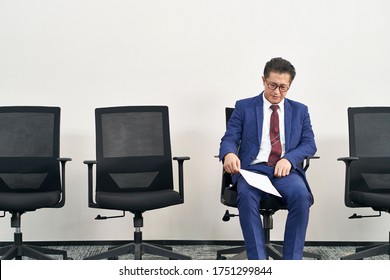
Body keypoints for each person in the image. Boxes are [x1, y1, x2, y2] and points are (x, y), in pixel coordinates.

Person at [219, 57, 316, 260]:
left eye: (283, 87)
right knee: (246, 195)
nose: (277, 92)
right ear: (263, 80)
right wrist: (228, 153)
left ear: (290, 86)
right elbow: (230, 138)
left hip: (286, 172)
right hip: (254, 170)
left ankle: (292, 263)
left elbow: (309, 144)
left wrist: (289, 159)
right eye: (272, 85)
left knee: (301, 195)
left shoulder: (300, 110)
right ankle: (259, 264)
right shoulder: (244, 107)